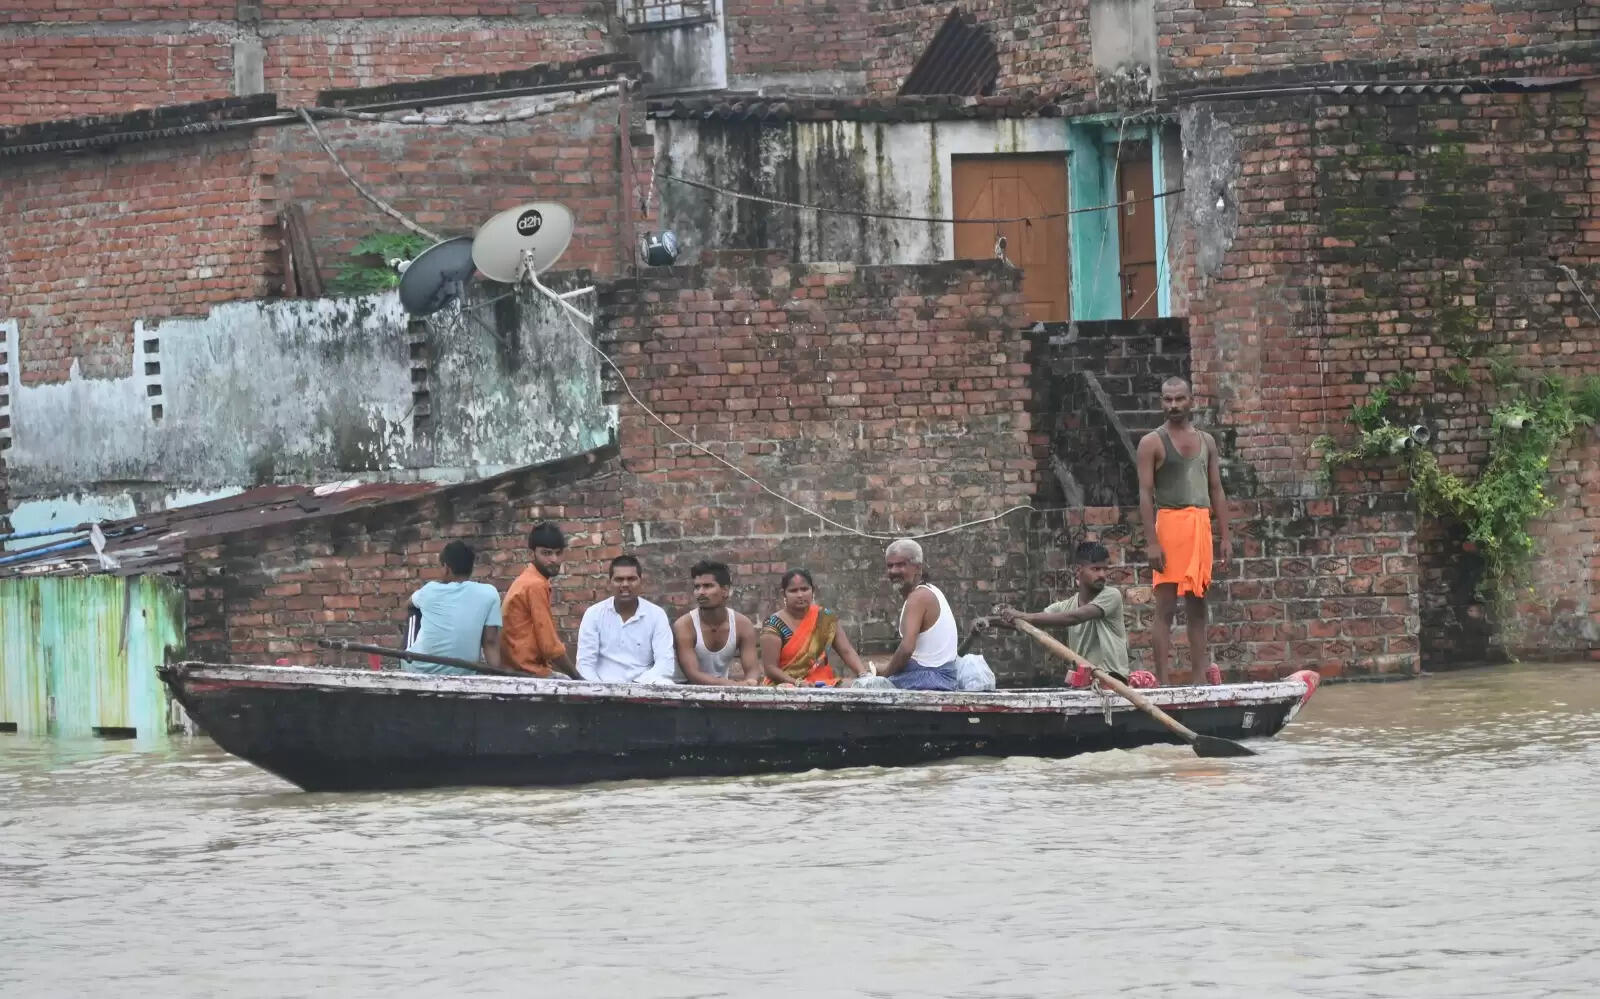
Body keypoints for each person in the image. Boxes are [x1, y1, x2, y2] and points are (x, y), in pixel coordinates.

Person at [1137, 376, 1231, 685]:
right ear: (1161, 402)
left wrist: (1226, 536)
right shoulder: (1152, 441)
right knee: (1165, 606)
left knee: (1197, 605)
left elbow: (1216, 489)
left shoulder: (1207, 441)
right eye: (1167, 399)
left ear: (1191, 400)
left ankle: (1198, 680)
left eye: (1179, 399)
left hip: (1200, 526)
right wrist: (1152, 542)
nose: (1173, 405)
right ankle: (1163, 682)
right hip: (1170, 525)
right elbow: (1144, 494)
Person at [995, 540, 1131, 682]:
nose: (1102, 575)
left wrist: (1022, 615)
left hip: (1112, 681)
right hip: (1085, 682)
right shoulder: (1066, 606)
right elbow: (1028, 622)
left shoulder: (1112, 595)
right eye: (1096, 569)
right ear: (1078, 570)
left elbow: (1075, 618)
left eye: (1105, 569)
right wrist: (989, 622)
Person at [402, 541, 503, 676]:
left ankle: (407, 660)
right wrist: (498, 677)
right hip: (464, 672)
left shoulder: (430, 590)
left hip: (420, 670)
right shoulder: (489, 593)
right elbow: (490, 641)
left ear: (446, 568)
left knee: (415, 611)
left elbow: (407, 604)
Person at [575, 555, 677, 684]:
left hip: (644, 687)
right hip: (602, 689)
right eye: (619, 579)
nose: (625, 584)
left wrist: (635, 686)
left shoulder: (656, 614)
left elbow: (665, 664)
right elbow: (585, 664)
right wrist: (600, 690)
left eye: (631, 579)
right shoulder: (594, 614)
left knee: (665, 683)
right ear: (609, 583)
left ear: (641, 582)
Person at [875, 539, 961, 691]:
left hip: (932, 679)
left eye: (901, 565)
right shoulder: (928, 591)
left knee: (860, 685)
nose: (894, 571)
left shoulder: (918, 597)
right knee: (870, 671)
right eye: (890, 566)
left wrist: (884, 678)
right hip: (937, 676)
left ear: (918, 568)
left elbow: (906, 649)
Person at [759, 568, 867, 687]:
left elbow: (846, 651)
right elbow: (770, 668)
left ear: (813, 590)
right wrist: (797, 683)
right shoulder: (774, 624)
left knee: (855, 685)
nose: (800, 595)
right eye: (793, 591)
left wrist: (864, 675)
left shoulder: (825, 618)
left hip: (822, 683)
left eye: (804, 589)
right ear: (783, 593)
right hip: (786, 685)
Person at [500, 522, 575, 678]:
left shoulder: (529, 579)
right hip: (525, 670)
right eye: (546, 553)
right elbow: (550, 647)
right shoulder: (535, 584)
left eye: (558, 553)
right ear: (531, 554)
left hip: (517, 667)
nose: (554, 559)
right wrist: (578, 678)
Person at [673, 560, 762, 686]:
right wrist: (733, 685)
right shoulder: (685, 625)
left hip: (722, 692)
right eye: (697, 587)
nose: (701, 592)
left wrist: (751, 682)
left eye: (708, 586)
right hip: (683, 691)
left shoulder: (742, 624)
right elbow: (693, 674)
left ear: (725, 590)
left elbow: (752, 669)